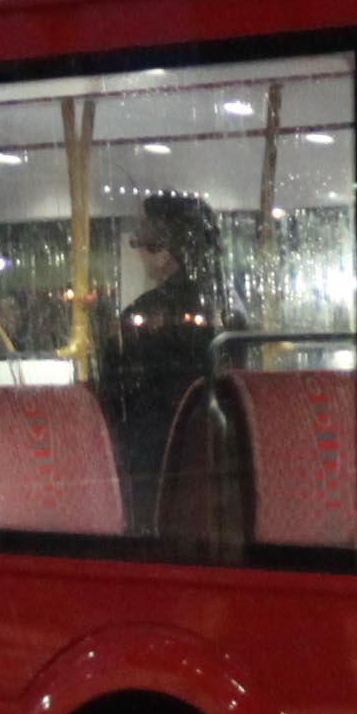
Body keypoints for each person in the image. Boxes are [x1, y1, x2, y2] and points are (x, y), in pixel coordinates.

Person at [96, 190, 228, 523]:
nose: (137, 251)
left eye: (141, 240)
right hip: (214, 450)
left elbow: (117, 390)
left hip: (153, 451)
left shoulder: (145, 315)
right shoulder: (224, 305)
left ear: (165, 250)